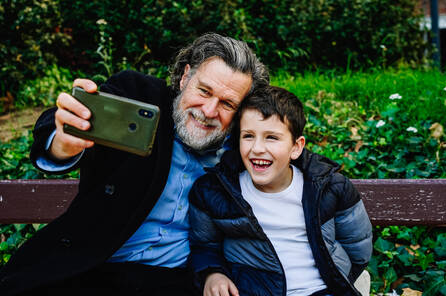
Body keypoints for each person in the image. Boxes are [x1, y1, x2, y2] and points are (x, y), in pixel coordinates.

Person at [0, 33, 268, 295]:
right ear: (186, 77)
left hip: (177, 280)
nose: (209, 111)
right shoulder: (139, 94)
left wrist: (213, 271)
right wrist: (63, 141)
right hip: (91, 268)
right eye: (204, 90)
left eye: (227, 103)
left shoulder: (242, 147)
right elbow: (58, 126)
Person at [188, 86, 372, 296]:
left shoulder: (330, 188)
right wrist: (214, 273)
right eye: (248, 136)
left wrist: (339, 282)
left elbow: (357, 248)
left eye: (271, 137)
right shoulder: (216, 192)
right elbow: (204, 246)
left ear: (296, 147)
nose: (257, 148)